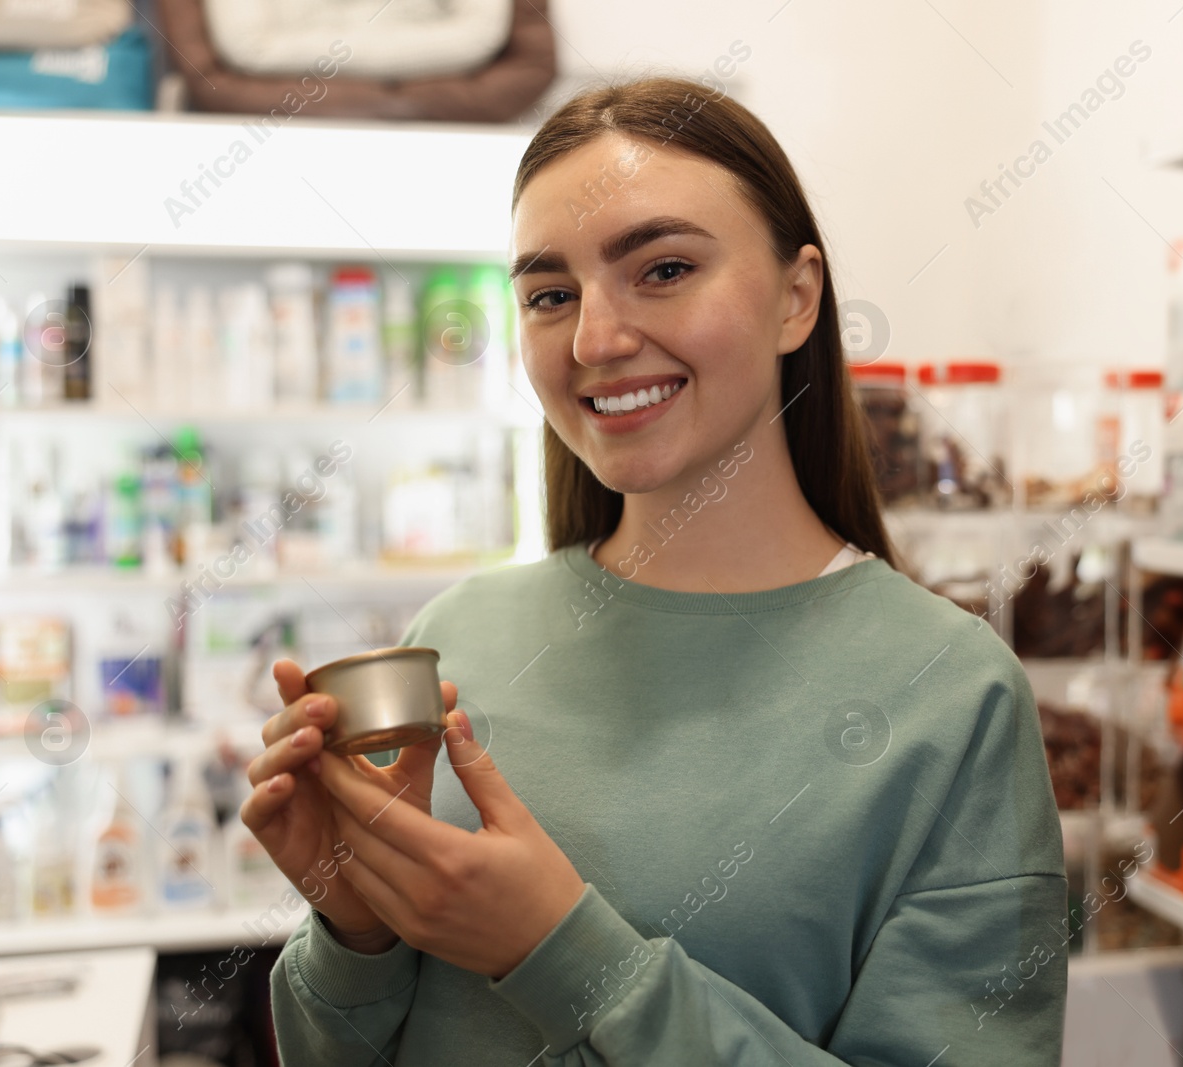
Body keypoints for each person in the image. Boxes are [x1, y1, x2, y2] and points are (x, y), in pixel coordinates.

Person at [244, 76, 1067, 1066]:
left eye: (665, 268)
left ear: (795, 297)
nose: (595, 339)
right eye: (550, 295)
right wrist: (356, 928)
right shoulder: (460, 631)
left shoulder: (954, 693)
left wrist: (562, 951)